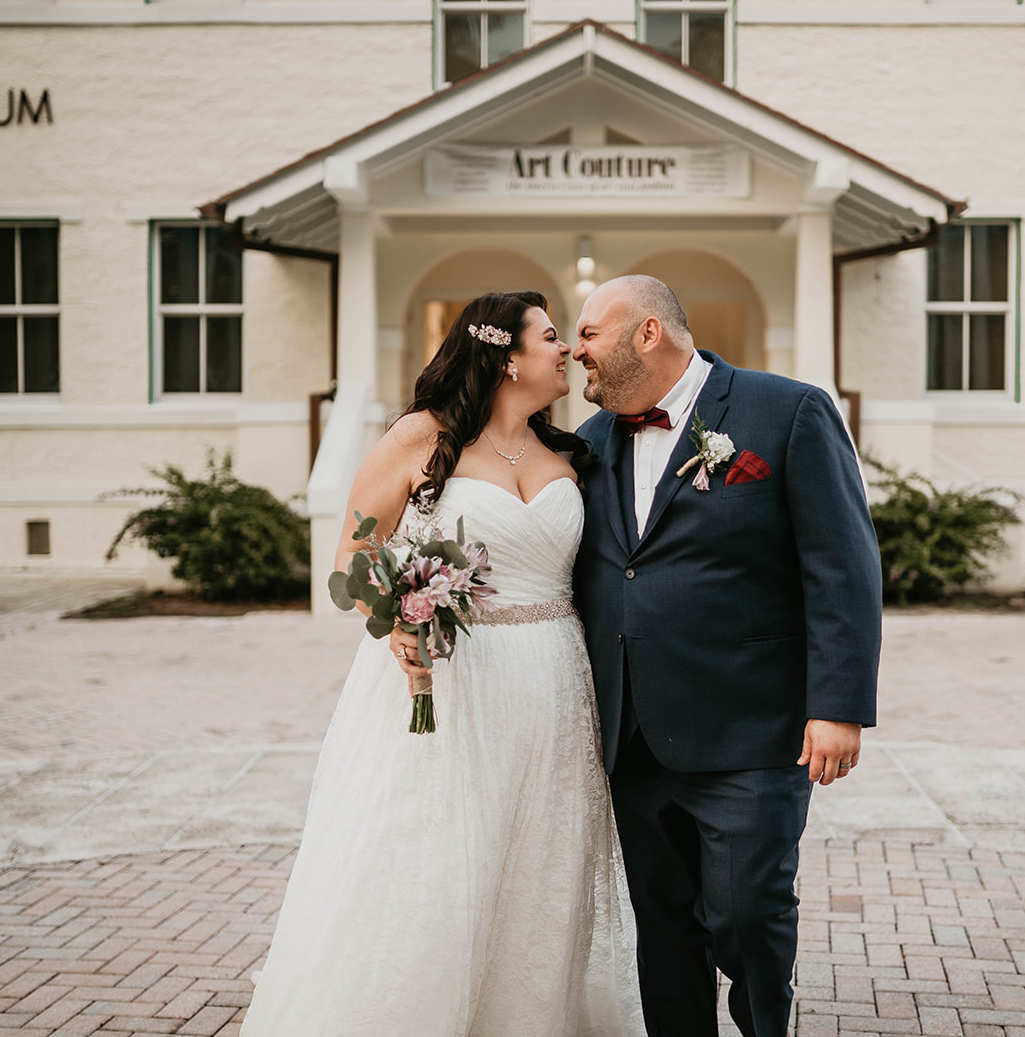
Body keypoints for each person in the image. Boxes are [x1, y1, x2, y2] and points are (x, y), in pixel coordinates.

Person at [240, 291, 643, 1036]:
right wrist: (392, 615)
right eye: (551, 337)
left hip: (557, 687)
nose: (566, 351)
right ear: (505, 355)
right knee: (436, 866)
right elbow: (350, 562)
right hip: (452, 684)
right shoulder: (420, 438)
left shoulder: (577, 453)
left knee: (541, 873)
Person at [571, 275, 882, 1037]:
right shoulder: (590, 442)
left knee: (747, 913)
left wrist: (838, 705)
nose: (575, 351)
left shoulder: (787, 411)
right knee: (664, 928)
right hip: (633, 734)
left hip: (750, 726)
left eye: (587, 333)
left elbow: (842, 564)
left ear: (648, 332)